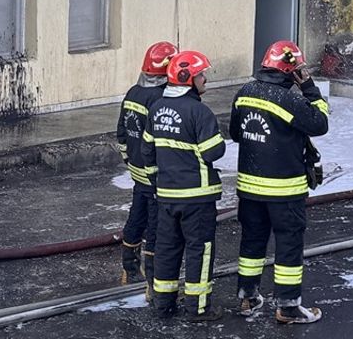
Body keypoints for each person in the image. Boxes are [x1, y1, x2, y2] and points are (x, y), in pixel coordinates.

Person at [230, 40, 329, 324]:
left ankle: (247, 298)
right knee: (288, 246)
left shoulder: (244, 93)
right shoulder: (291, 100)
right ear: (291, 71)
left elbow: (237, 133)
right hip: (284, 190)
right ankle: (287, 307)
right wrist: (309, 87)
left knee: (251, 241)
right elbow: (320, 123)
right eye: (298, 68)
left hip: (249, 188)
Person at [143, 50, 226, 321]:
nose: (206, 80)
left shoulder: (156, 108)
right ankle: (198, 308)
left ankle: (163, 305)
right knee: (199, 251)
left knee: (167, 249)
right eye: (201, 75)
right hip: (197, 197)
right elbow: (213, 152)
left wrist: (158, 183)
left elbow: (147, 151)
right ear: (187, 78)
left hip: (166, 196)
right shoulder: (199, 112)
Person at [116, 41, 177, 294]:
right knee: (156, 225)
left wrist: (129, 160)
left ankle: (129, 270)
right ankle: (152, 282)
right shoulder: (160, 98)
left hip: (137, 169)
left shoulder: (132, 92)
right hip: (155, 172)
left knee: (137, 216)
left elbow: (121, 132)